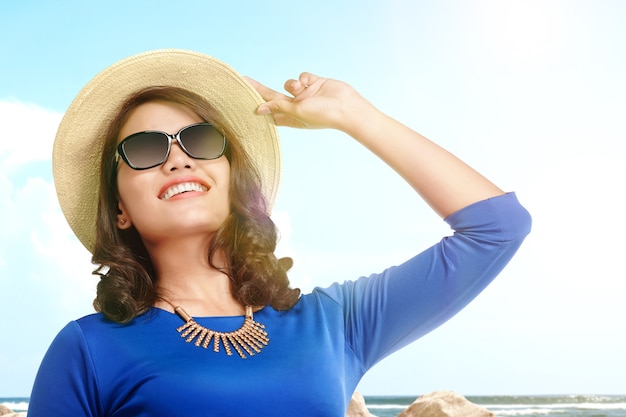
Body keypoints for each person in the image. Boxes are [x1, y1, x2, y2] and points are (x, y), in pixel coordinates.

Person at [28, 49, 531, 416]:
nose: (177, 157)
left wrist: (355, 117)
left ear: (230, 180)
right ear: (120, 210)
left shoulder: (335, 324)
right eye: (143, 149)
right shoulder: (87, 351)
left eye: (200, 140)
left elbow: (496, 228)